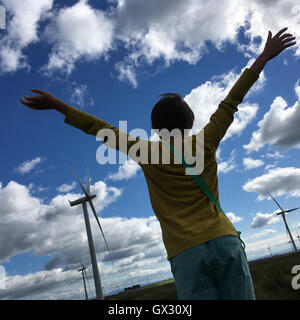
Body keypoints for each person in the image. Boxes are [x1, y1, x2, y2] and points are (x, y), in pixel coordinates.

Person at [20, 27, 296, 300]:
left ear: (154, 128)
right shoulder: (207, 140)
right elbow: (231, 101)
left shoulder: (146, 153)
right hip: (225, 241)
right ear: (190, 123)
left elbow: (100, 128)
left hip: (186, 252)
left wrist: (59, 106)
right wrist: (263, 57)